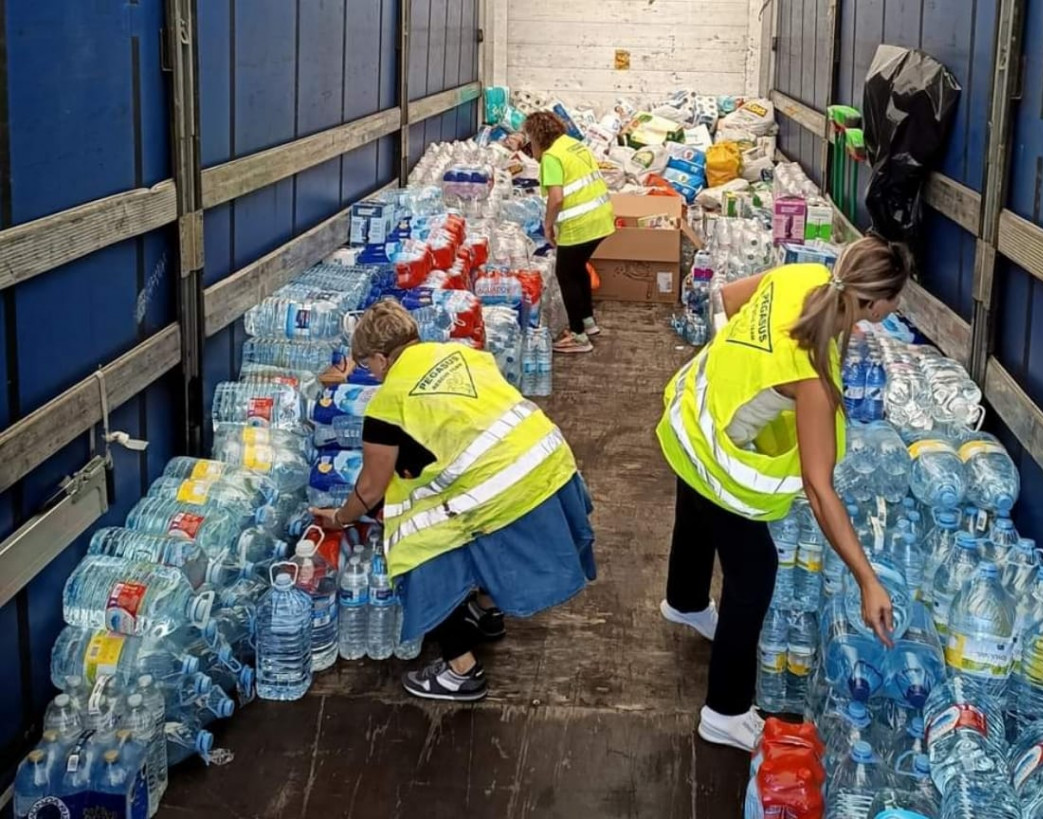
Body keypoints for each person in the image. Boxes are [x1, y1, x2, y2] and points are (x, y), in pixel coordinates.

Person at [655, 235, 913, 751]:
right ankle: (724, 711)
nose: (897, 308)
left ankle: (684, 600)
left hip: (691, 409)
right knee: (756, 571)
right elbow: (819, 491)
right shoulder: (814, 373)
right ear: (872, 304)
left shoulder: (801, 278)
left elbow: (727, 300)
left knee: (696, 504)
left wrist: (743, 380)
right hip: (715, 448)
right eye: (894, 301)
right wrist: (867, 580)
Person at [310, 299, 596, 701]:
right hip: (548, 463)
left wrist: (339, 518)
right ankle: (486, 609)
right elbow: (444, 402)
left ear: (380, 357)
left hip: (501, 488)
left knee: (415, 541)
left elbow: (372, 487)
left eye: (368, 366)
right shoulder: (462, 353)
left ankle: (461, 670)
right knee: (477, 523)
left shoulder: (387, 404)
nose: (369, 374)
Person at [523, 111, 615, 355]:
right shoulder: (573, 145)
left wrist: (547, 225)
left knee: (565, 274)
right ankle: (587, 322)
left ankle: (579, 337)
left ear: (537, 137)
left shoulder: (552, 157)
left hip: (580, 224)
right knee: (578, 268)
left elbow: (556, 198)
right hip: (601, 217)